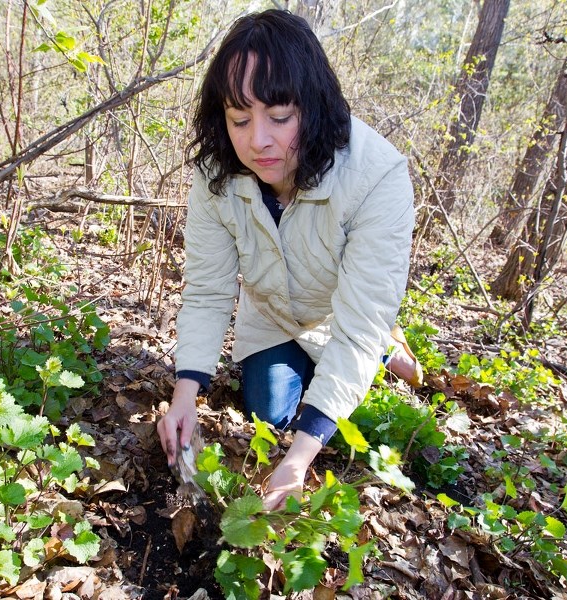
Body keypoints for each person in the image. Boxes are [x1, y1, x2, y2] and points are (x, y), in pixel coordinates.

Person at [156, 9, 418, 510]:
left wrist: (300, 457)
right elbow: (209, 290)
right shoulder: (215, 171)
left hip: (337, 314)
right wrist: (184, 395)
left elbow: (357, 325)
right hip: (272, 313)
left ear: (313, 108)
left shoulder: (377, 176)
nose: (258, 141)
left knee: (325, 413)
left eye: (279, 118)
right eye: (239, 119)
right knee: (267, 411)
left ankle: (389, 348)